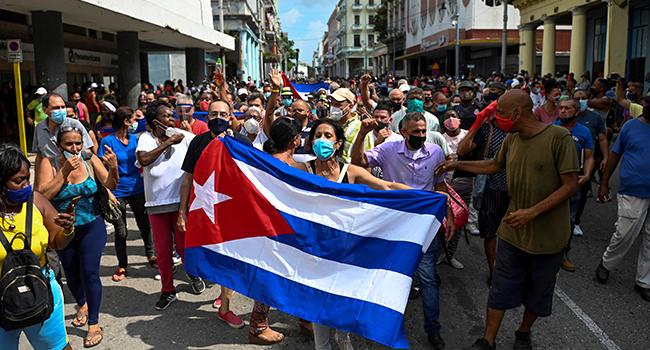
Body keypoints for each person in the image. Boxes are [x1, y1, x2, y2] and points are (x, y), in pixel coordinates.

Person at [436, 90, 579, 350]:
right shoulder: (512, 139)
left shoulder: (559, 137)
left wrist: (532, 212)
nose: (497, 118)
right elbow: (493, 165)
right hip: (513, 232)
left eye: (500, 113)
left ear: (516, 113)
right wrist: (455, 164)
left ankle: (523, 332)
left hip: (548, 236)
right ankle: (488, 340)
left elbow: (570, 185)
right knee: (501, 287)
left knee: (538, 291)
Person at [292, 118, 414, 350]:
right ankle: (323, 346)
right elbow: (269, 172)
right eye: (318, 135)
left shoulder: (350, 172)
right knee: (319, 299)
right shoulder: (302, 170)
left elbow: (387, 187)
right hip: (314, 247)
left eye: (328, 136)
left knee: (345, 294)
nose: (322, 140)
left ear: (338, 144)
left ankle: (342, 336)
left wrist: (428, 195)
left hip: (348, 247)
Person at [351, 112, 455, 350]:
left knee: (428, 279)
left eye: (423, 131)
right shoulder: (389, 149)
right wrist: (362, 134)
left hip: (424, 224)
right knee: (388, 276)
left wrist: (447, 214)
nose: (420, 135)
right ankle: (384, 326)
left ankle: (433, 331)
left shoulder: (436, 152)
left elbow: (440, 186)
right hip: (393, 224)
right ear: (404, 132)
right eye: (415, 131)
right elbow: (359, 163)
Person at [34, 124, 119, 348]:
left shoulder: (90, 160)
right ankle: (82, 303)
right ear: (59, 145)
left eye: (78, 143)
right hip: (63, 229)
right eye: (69, 144)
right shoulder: (48, 162)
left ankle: (94, 323)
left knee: (90, 272)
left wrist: (114, 169)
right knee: (71, 275)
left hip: (92, 225)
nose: (74, 148)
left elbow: (109, 183)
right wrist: (63, 172)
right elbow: (42, 195)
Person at [178, 100, 249, 329]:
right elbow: (187, 178)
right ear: (206, 117)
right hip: (205, 209)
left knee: (229, 256)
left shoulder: (240, 141)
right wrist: (182, 212)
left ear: (230, 117)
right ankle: (221, 289)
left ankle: (225, 306)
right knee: (210, 254)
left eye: (223, 114)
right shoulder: (197, 142)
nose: (218, 118)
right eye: (214, 114)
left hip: (233, 210)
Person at [0, 144, 76, 350]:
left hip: (39, 291)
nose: (26, 185)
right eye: (18, 181)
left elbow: (57, 242)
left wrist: (67, 229)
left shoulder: (37, 202)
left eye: (28, 178)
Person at [135, 100, 207, 310]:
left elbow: (205, 144)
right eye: (167, 116)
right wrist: (168, 143)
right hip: (156, 205)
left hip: (180, 205)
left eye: (172, 115)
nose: (172, 119)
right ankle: (168, 290)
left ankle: (193, 275)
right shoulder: (146, 139)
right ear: (155, 122)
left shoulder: (182, 136)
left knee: (185, 249)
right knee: (163, 252)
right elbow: (144, 160)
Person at [595, 102, 650, 302]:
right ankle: (606, 264)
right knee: (625, 232)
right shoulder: (631, 126)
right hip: (633, 190)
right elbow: (615, 155)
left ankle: (644, 282)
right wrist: (604, 183)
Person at [98, 107, 156, 282]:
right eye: (133, 119)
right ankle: (122, 265)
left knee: (145, 226)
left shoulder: (135, 140)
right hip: (117, 191)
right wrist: (108, 192)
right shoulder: (107, 142)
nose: (135, 122)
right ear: (126, 121)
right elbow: (100, 169)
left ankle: (151, 255)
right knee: (121, 231)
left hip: (137, 189)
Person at [552, 98, 594, 272]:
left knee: (569, 219)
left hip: (573, 182)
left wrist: (586, 175)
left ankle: (563, 253)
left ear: (577, 111)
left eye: (567, 108)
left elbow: (590, 156)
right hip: (551, 181)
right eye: (560, 108)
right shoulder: (550, 128)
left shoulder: (584, 131)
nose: (562, 111)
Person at [572, 89, 608, 237]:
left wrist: (606, 157)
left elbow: (603, 138)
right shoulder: (566, 116)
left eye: (584, 98)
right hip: (565, 163)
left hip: (587, 162)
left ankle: (575, 222)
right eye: (578, 98)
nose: (581, 101)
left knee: (581, 194)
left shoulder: (595, 117)